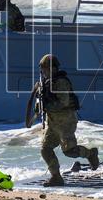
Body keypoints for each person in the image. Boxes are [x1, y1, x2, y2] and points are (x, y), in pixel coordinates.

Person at [34, 54, 98, 187]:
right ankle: (56, 177)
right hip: (52, 123)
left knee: (69, 151)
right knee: (45, 149)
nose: (43, 72)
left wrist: (47, 106)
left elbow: (63, 102)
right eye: (42, 69)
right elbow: (42, 100)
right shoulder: (46, 83)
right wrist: (39, 104)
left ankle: (90, 153)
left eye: (45, 69)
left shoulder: (61, 82)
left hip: (65, 122)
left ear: (53, 68)